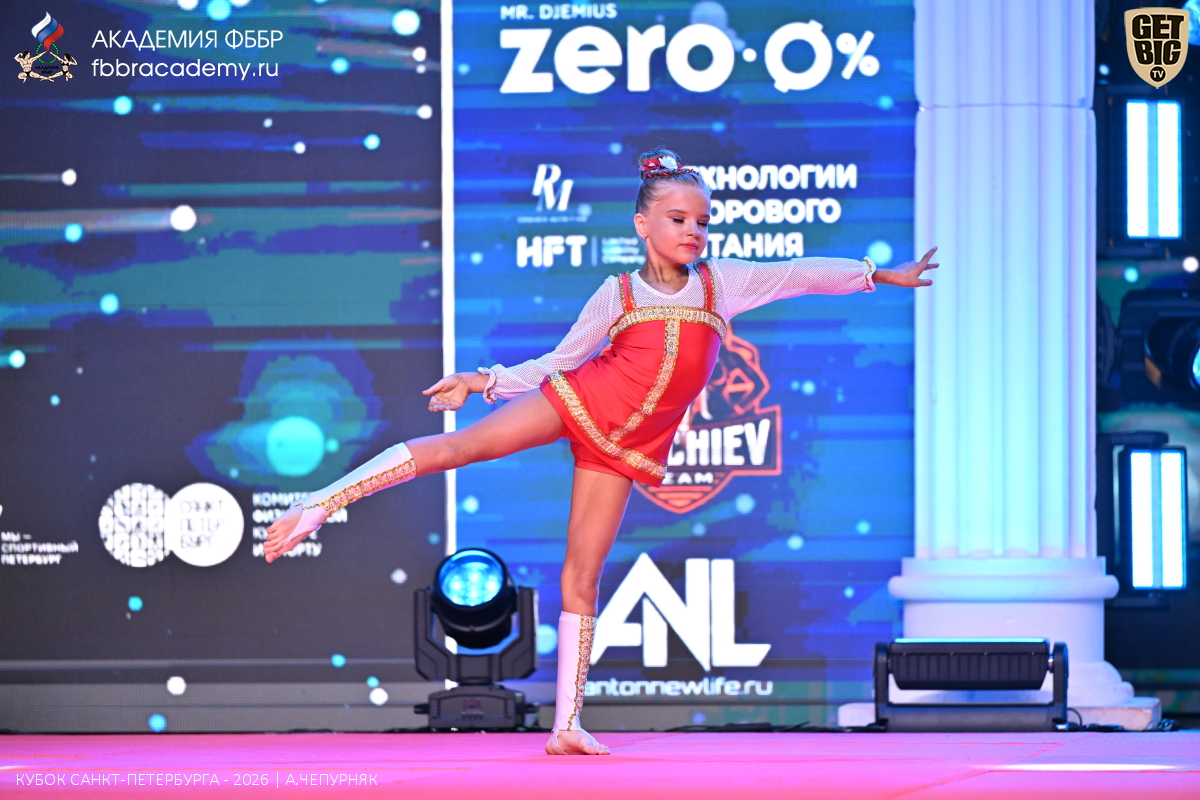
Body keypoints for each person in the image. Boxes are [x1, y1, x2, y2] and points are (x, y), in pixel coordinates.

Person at [265, 148, 938, 755]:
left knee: (581, 577)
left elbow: (798, 274)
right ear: (643, 225)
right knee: (461, 447)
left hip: (623, 450)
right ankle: (319, 504)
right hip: (578, 401)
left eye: (703, 221)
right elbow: (558, 361)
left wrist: (878, 274)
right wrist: (482, 381)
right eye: (678, 219)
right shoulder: (617, 293)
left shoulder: (722, 285)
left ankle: (566, 725)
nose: (694, 231)